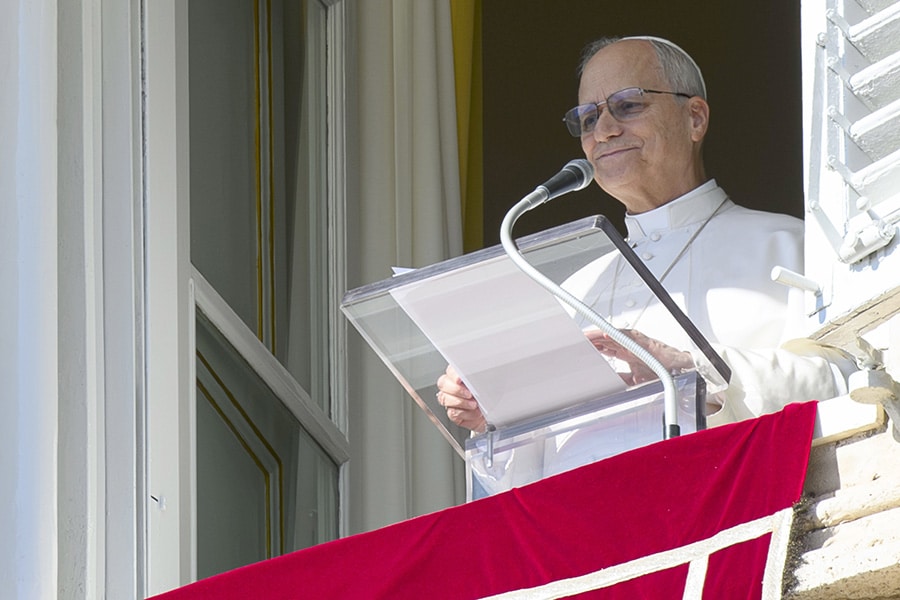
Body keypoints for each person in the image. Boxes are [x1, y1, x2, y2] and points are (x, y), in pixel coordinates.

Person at [437, 35, 854, 435]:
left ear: (695, 118)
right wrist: (495, 411)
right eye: (588, 118)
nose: (603, 130)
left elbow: (846, 381)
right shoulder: (573, 293)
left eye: (628, 105)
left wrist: (692, 371)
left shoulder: (793, 245)